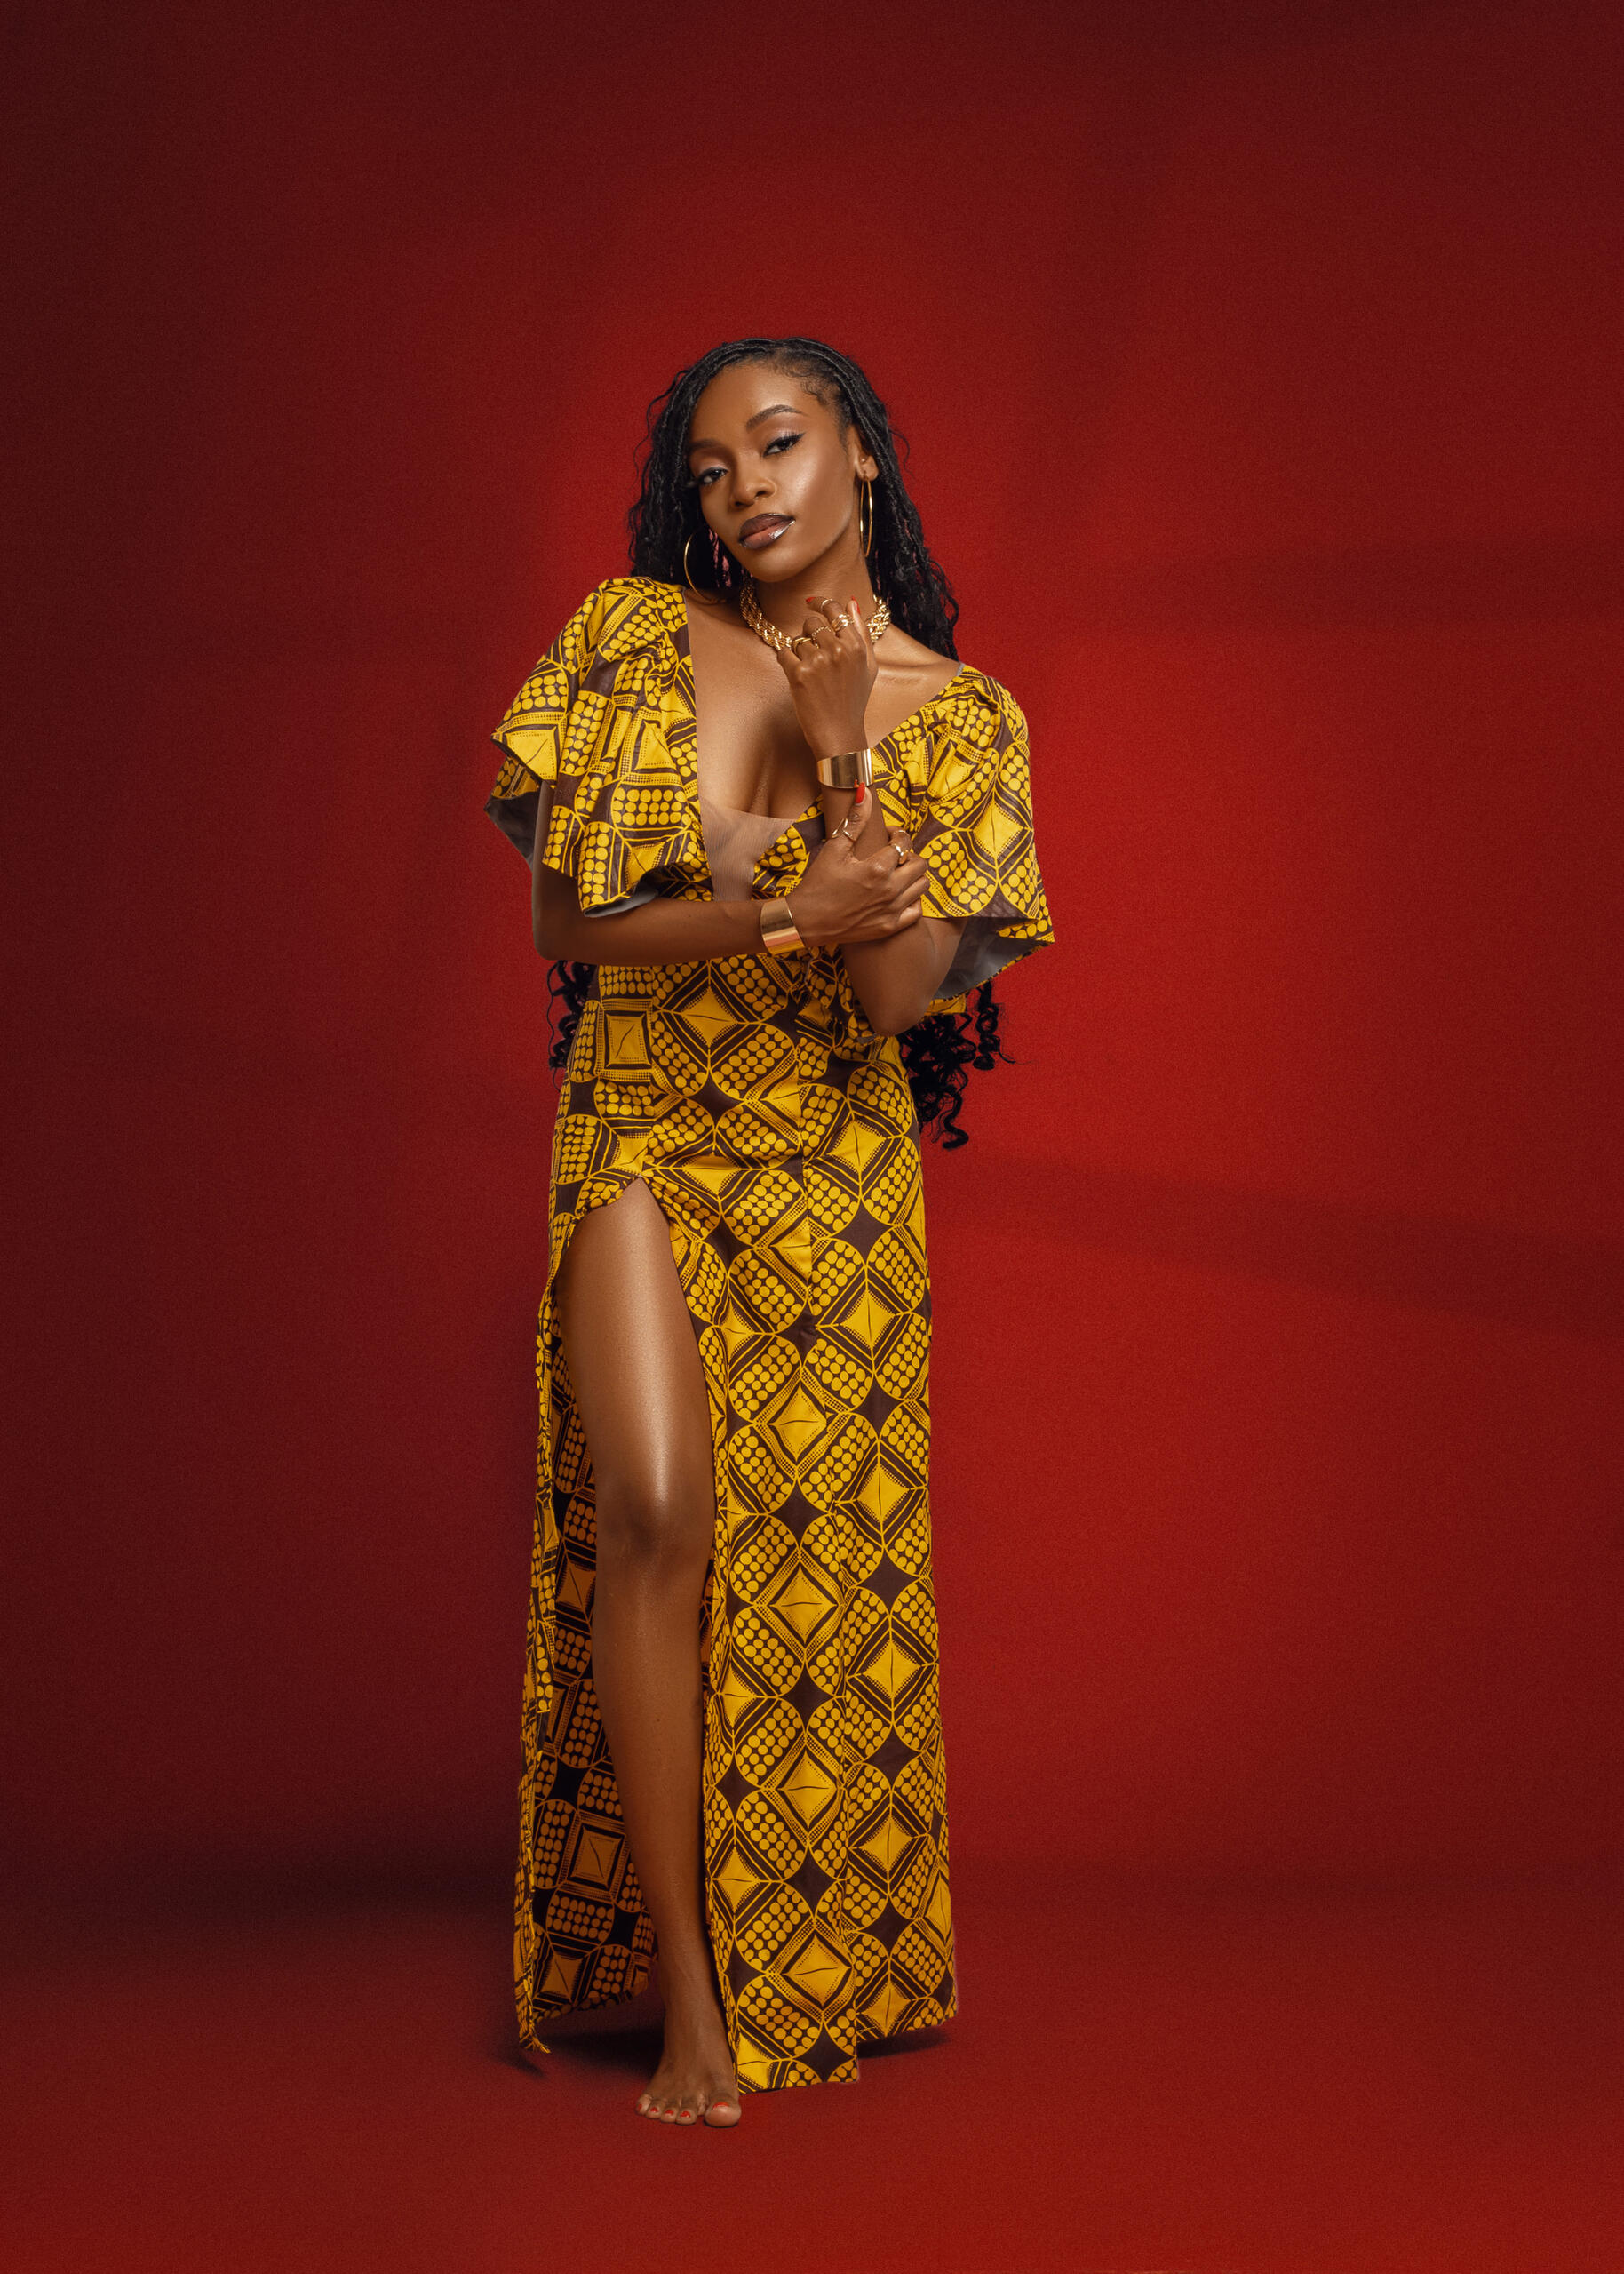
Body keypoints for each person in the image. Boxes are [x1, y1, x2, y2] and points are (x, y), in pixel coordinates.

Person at [484, 336, 1054, 2128]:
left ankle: (793, 1949)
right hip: (643, 1118)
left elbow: (890, 995)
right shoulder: (630, 636)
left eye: (781, 443)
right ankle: (686, 1990)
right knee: (654, 1508)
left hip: (829, 1170)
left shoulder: (966, 721)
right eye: (713, 469)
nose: (745, 489)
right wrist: (782, 907)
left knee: (814, 1572)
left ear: (860, 453)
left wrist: (837, 753)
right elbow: (570, 921)